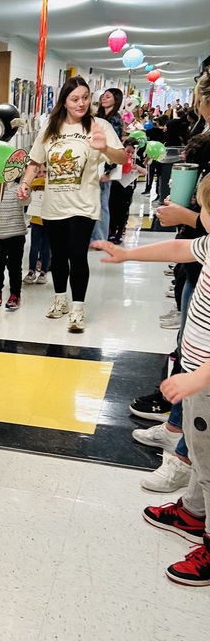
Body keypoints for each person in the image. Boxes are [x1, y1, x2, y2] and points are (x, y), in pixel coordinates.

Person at [95, 174, 210, 587]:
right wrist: (128, 255)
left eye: (204, 212)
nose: (201, 219)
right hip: (198, 381)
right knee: (200, 453)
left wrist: (197, 379)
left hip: (205, 383)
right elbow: (181, 247)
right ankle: (193, 511)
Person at [17, 76, 126, 333]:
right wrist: (25, 183)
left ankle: (77, 308)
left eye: (85, 98)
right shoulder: (50, 128)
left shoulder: (99, 125)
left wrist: (106, 149)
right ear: (64, 101)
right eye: (75, 99)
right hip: (54, 204)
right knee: (58, 256)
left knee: (77, 255)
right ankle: (60, 300)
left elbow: (121, 157)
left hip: (84, 204)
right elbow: (34, 162)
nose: (81, 104)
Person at [0, 180, 28, 311]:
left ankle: (15, 294)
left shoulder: (19, 190)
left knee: (15, 267)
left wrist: (26, 193)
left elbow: (26, 201)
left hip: (16, 235)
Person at [91, 88, 123, 244]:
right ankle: (94, 237)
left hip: (105, 166)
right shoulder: (99, 117)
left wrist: (108, 170)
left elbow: (115, 147)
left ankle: (100, 238)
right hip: (95, 164)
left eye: (108, 96)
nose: (104, 98)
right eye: (103, 96)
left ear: (115, 100)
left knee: (102, 203)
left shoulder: (114, 119)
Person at [108, 138, 147, 244]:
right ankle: (111, 230)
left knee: (123, 210)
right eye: (127, 151)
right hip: (116, 186)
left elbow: (145, 172)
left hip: (128, 188)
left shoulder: (136, 160)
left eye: (132, 152)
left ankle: (119, 232)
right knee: (113, 209)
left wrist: (137, 167)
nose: (130, 154)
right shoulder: (118, 158)